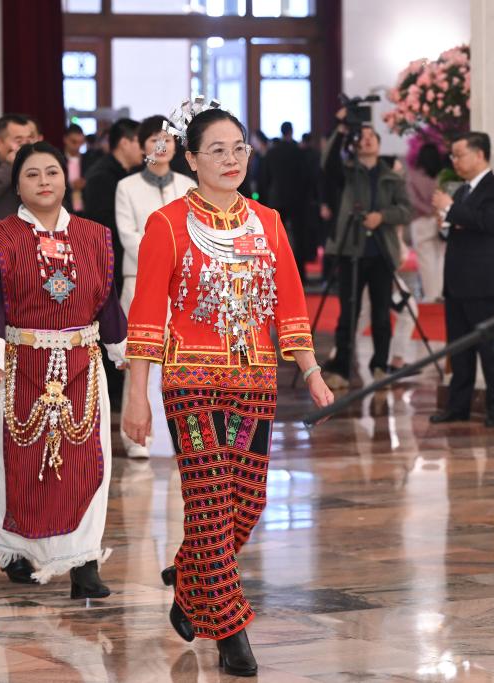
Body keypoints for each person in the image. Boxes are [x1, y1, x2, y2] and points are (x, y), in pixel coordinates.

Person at [121, 103, 333, 677]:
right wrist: (137, 395)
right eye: (216, 150)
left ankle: (191, 582)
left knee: (248, 500)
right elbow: (146, 315)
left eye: (239, 147)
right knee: (211, 501)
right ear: (190, 160)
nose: (231, 159)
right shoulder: (167, 224)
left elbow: (290, 300)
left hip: (254, 378)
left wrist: (311, 369)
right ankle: (231, 630)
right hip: (189, 381)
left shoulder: (267, 221)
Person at [0, 141, 126, 595]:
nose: (44, 182)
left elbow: (107, 302)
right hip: (19, 366)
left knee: (86, 463)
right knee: (18, 465)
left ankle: (84, 563)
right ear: (17, 186)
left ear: (66, 178)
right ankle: (18, 552)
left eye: (52, 172)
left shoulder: (95, 236)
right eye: (32, 174)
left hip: (82, 367)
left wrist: (122, 351)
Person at [114, 115, 196, 458]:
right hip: (140, 281)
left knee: (181, 360)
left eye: (168, 140)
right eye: (154, 140)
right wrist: (162, 260)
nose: (162, 146)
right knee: (137, 359)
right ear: (142, 146)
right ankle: (137, 437)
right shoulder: (126, 187)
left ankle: (184, 435)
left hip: (182, 286)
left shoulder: (188, 186)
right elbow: (128, 236)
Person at [430, 131, 494, 427]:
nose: (454, 161)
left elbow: (490, 222)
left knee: (489, 350)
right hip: (456, 282)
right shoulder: (463, 190)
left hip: (483, 284)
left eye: (459, 155)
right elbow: (458, 229)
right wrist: (445, 224)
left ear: (479, 155)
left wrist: (451, 209)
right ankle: (458, 406)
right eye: (452, 156)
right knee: (459, 349)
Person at [320, 124, 411, 390]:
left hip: (381, 252)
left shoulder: (391, 176)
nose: (368, 140)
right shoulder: (347, 172)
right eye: (363, 137)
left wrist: (382, 216)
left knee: (381, 313)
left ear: (379, 144)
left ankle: (380, 367)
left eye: (373, 136)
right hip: (351, 250)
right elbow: (327, 163)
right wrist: (340, 130)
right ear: (356, 144)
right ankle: (341, 369)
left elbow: (406, 210)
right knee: (348, 313)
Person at [82, 117, 142, 411]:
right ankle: (112, 392)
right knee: (109, 325)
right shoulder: (102, 177)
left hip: (124, 262)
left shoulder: (130, 175)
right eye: (139, 141)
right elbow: (100, 229)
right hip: (108, 264)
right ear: (125, 142)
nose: (143, 150)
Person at [260, 121, 309, 278]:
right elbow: (305, 177)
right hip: (296, 200)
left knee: (275, 237)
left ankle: (276, 272)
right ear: (291, 131)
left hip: (276, 199)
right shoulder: (298, 151)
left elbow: (265, 178)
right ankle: (300, 273)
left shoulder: (272, 152)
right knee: (299, 237)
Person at [407, 143, 445, 301]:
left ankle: (431, 295)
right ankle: (441, 292)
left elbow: (412, 201)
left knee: (425, 260)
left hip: (420, 221)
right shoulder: (441, 177)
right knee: (441, 258)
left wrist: (428, 211)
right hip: (439, 219)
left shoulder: (413, 177)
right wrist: (435, 211)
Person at [62, 123, 87, 213]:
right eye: (74, 142)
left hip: (86, 209)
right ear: (65, 139)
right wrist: (71, 186)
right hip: (65, 207)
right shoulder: (59, 159)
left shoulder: (88, 159)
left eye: (81, 142)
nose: (78, 146)